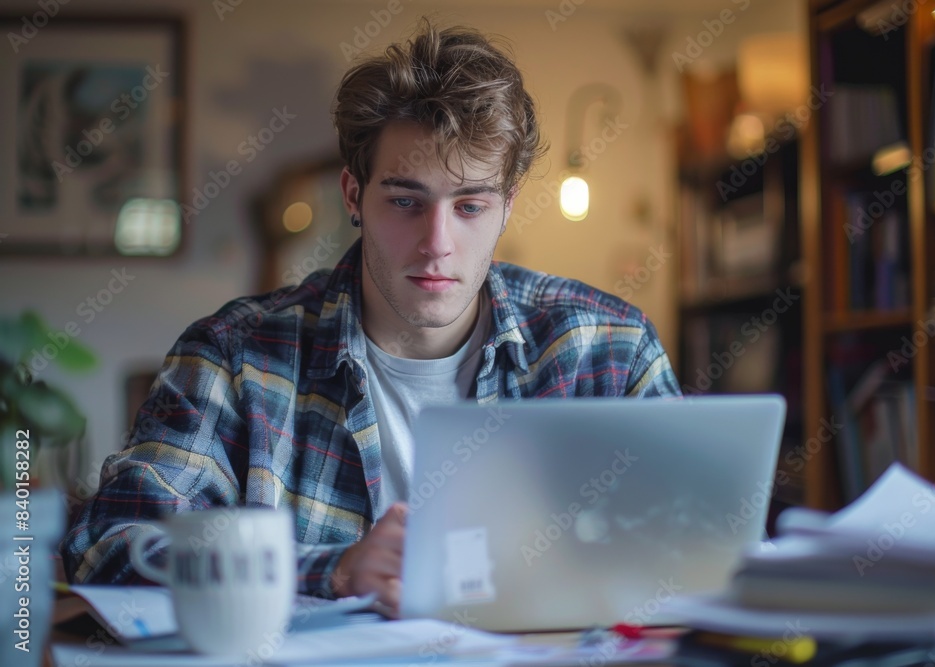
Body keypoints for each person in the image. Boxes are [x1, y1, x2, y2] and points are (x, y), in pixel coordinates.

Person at [60, 20, 681, 614]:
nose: (437, 242)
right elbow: (109, 544)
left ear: (507, 207)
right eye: (406, 201)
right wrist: (328, 570)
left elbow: (698, 547)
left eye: (470, 206)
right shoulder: (234, 357)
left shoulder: (610, 350)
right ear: (354, 196)